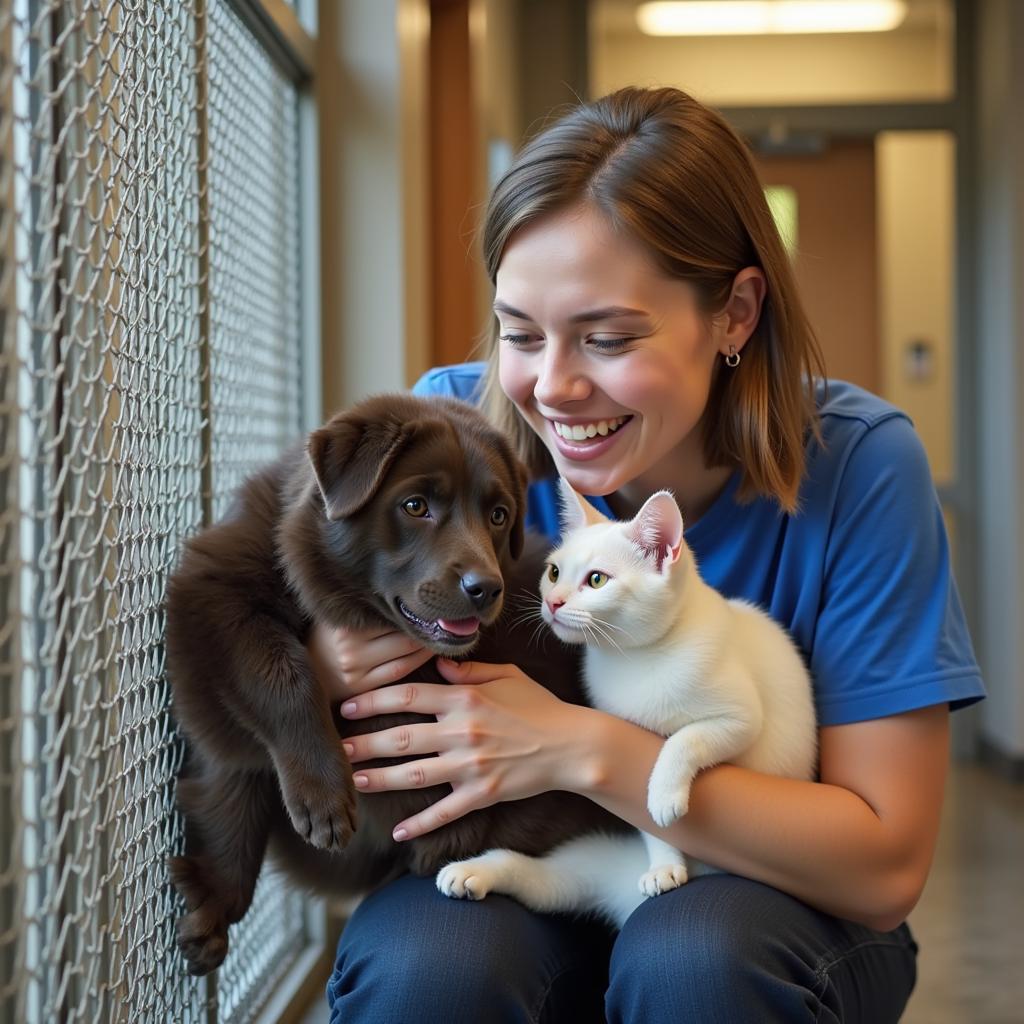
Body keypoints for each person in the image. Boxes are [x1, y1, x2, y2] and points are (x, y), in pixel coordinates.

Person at [312, 86, 984, 1023]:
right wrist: (323, 657)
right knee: (432, 965)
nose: (554, 387)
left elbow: (882, 867)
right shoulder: (450, 437)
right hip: (540, 865)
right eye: (519, 333)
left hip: (767, 901)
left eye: (609, 337)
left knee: (696, 959)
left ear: (736, 314)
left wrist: (581, 751)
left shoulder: (861, 465)